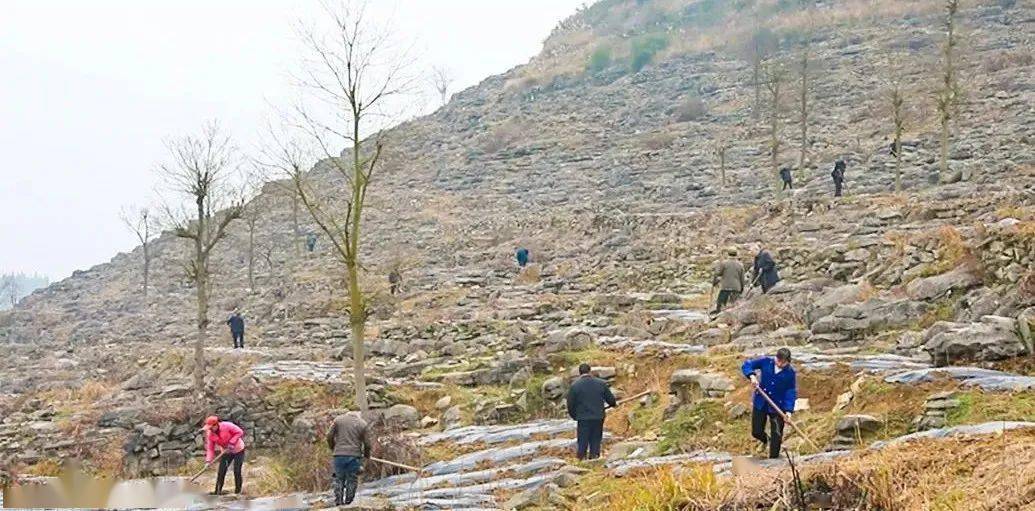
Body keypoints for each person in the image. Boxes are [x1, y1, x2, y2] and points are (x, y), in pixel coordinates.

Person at [741, 348, 797, 459]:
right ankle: (766, 440)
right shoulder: (766, 362)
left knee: (777, 436)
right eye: (778, 360)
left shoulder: (790, 373)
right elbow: (747, 365)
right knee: (756, 431)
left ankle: (773, 461)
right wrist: (752, 376)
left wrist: (788, 411)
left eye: (783, 362)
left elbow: (790, 392)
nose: (780, 363)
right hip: (761, 402)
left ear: (788, 362)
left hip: (777, 407)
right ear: (775, 357)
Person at [566, 363, 617, 460]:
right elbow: (611, 399)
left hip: (583, 417)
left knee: (582, 440)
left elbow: (570, 404)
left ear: (579, 373)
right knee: (596, 439)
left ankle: (581, 459)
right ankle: (594, 458)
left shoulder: (575, 386)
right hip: (598, 416)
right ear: (590, 371)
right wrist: (613, 404)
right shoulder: (601, 383)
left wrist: (574, 416)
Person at [328, 411, 371, 506]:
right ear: (358, 415)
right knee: (352, 479)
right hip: (354, 456)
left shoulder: (338, 420)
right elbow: (367, 444)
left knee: (339, 479)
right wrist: (366, 456)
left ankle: (339, 503)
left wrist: (333, 448)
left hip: (339, 455)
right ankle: (348, 504)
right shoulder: (362, 424)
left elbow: (329, 436)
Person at [203, 416, 246, 495]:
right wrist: (208, 461)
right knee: (221, 472)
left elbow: (240, 432)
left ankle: (238, 492)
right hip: (226, 452)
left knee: (237, 470)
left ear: (216, 425)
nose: (210, 429)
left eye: (211, 427)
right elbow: (210, 449)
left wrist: (232, 442)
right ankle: (217, 492)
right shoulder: (210, 434)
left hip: (238, 449)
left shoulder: (227, 425)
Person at [712, 248, 745, 313]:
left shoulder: (724, 263)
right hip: (736, 287)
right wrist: (742, 289)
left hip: (725, 287)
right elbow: (742, 279)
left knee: (720, 304)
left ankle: (718, 316)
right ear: (736, 255)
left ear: (728, 254)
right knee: (735, 306)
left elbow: (718, 273)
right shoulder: (740, 265)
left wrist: (714, 282)